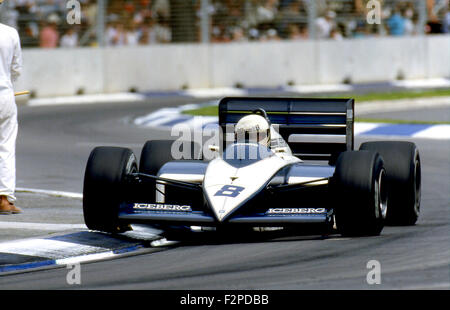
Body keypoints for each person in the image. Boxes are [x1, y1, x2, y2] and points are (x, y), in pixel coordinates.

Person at [0, 0, 23, 214]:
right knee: (6, 146)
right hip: (4, 94)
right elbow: (16, 69)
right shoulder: (10, 33)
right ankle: (4, 199)